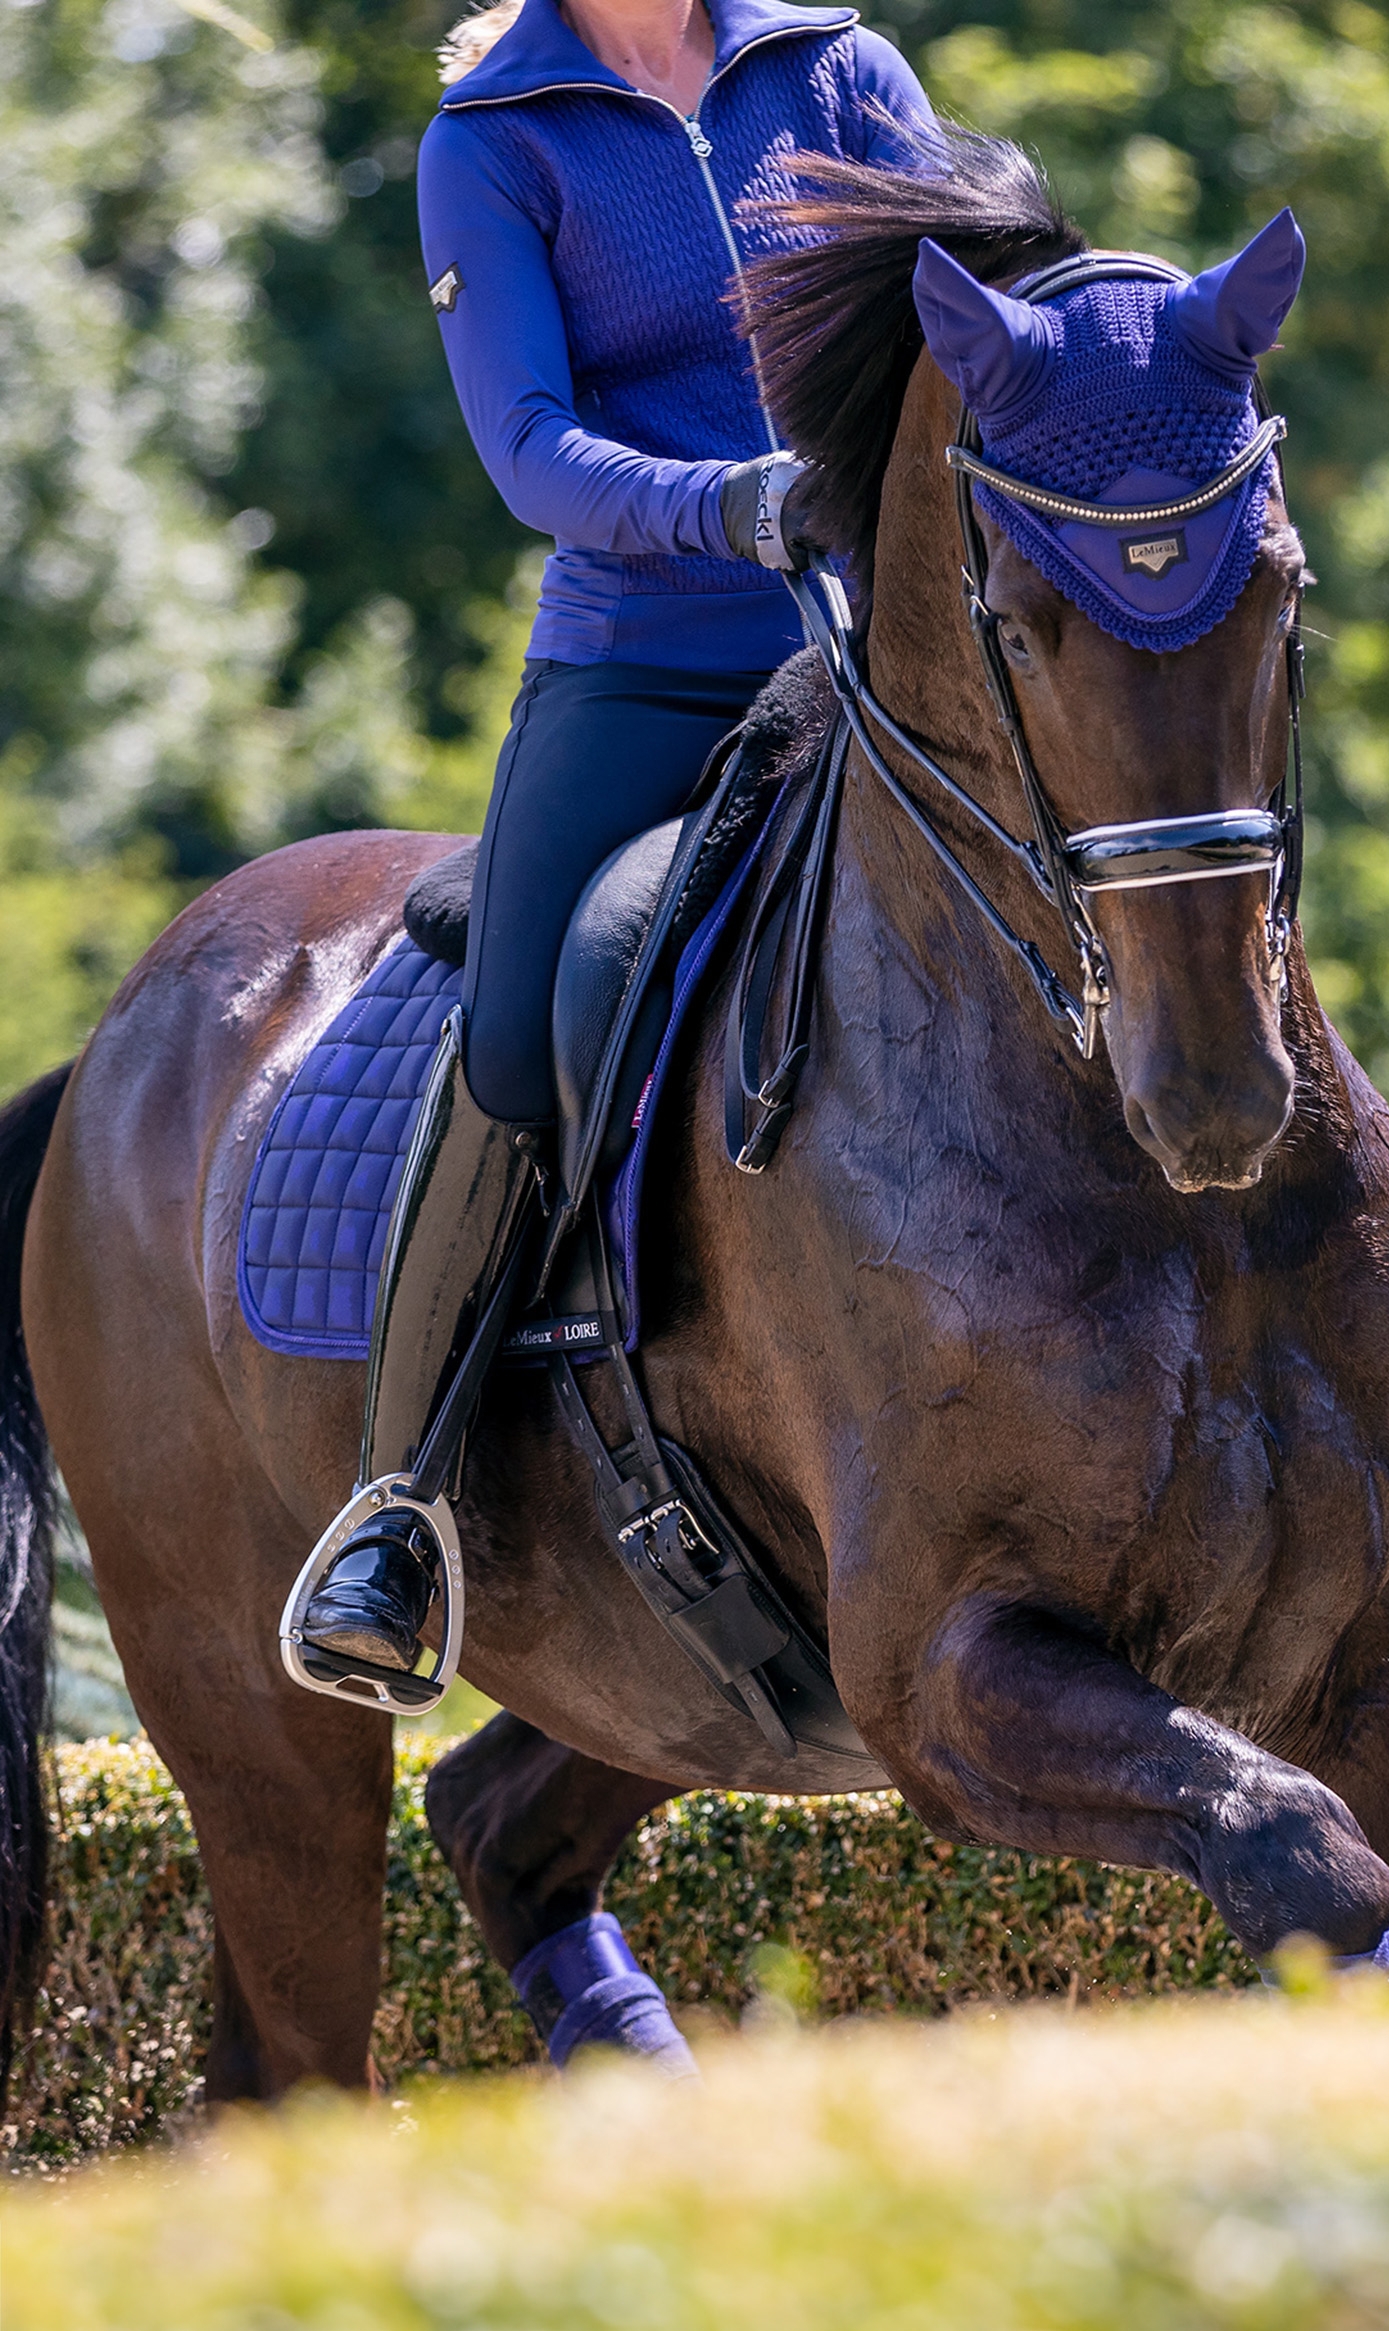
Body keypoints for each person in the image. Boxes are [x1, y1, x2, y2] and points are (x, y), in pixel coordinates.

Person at [297, 0, 936, 1675]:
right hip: (645, 657)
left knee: (1151, 826)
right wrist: (729, 501)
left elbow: (964, 316)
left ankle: (1369, 1375)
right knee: (513, 1028)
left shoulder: (838, 73)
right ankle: (400, 1505)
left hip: (893, 626)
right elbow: (528, 448)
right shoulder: (491, 141)